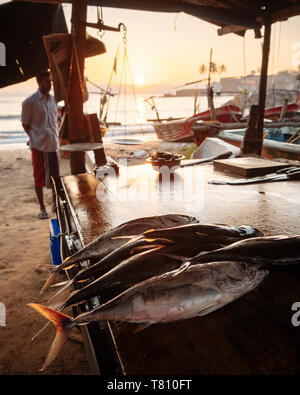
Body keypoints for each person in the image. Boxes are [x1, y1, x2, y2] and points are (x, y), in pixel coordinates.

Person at [21, 70, 60, 219]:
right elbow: (25, 123)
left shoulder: (53, 100)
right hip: (39, 146)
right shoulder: (29, 102)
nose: (49, 84)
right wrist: (34, 137)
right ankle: (42, 207)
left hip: (53, 144)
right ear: (39, 82)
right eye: (46, 82)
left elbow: (55, 121)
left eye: (50, 81)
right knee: (39, 177)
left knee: (55, 177)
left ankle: (55, 203)